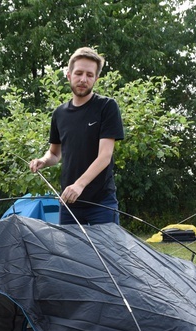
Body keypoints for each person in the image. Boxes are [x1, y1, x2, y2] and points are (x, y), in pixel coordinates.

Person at [29, 47, 125, 225]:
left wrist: (79, 185)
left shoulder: (107, 107)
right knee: (69, 254)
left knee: (107, 254)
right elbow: (55, 154)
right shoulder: (59, 114)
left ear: (96, 78)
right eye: (79, 73)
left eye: (89, 75)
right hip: (69, 203)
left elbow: (105, 156)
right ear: (68, 75)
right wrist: (43, 160)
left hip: (101, 203)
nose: (83, 79)